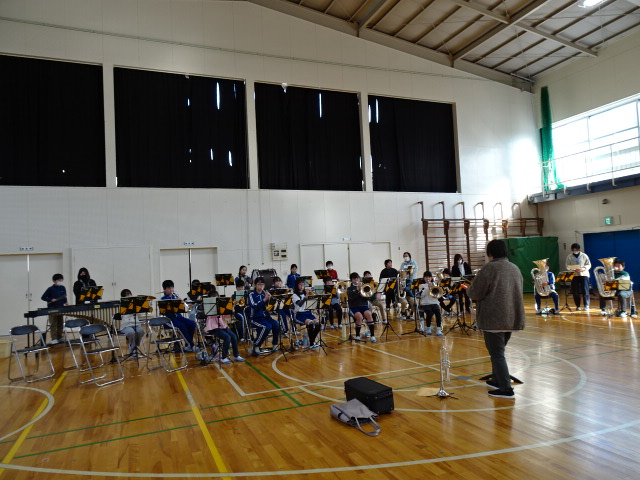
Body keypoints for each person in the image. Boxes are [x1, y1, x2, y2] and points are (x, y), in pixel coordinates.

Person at [467, 239, 525, 399]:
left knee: (497, 353)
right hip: (511, 317)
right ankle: (497, 379)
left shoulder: (489, 268)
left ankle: (505, 389)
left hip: (494, 318)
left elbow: (475, 293)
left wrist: (468, 290)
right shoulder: (514, 268)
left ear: (490, 253)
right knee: (498, 351)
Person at [204, 288, 244, 364]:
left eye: (216, 297)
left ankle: (236, 355)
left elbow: (225, 316)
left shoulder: (220, 305)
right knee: (227, 337)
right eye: (213, 298)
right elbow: (209, 315)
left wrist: (230, 309)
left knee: (234, 336)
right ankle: (224, 357)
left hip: (222, 326)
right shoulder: (208, 307)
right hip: (213, 327)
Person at [161, 280, 199, 352]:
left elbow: (182, 309)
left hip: (179, 317)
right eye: (168, 288)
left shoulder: (176, 296)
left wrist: (182, 303)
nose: (171, 290)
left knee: (192, 324)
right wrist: (174, 303)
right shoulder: (163, 299)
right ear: (164, 289)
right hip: (170, 319)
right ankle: (191, 345)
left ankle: (188, 344)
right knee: (181, 326)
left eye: (172, 288)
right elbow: (164, 312)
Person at [249, 277, 280, 355]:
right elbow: (255, 306)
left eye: (262, 284)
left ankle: (275, 344)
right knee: (266, 327)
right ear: (255, 285)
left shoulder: (265, 293)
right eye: (259, 284)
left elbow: (270, 307)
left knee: (276, 324)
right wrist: (264, 300)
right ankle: (256, 344)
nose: (261, 286)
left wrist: (271, 300)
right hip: (255, 318)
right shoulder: (251, 295)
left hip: (266, 317)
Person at [292, 278, 322, 349]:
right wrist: (306, 297)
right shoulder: (294, 295)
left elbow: (312, 304)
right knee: (311, 323)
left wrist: (312, 296)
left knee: (318, 324)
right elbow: (300, 304)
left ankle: (312, 340)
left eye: (303, 284)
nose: (302, 285)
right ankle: (311, 343)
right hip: (299, 314)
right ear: (297, 285)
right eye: (300, 284)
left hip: (308, 313)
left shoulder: (305, 293)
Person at [348, 272, 376, 342]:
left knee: (369, 315)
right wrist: (357, 291)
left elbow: (367, 298)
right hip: (354, 306)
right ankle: (357, 336)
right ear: (351, 280)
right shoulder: (349, 289)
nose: (356, 280)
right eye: (354, 279)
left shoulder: (364, 286)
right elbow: (351, 298)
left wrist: (366, 294)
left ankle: (372, 336)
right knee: (359, 317)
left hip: (363, 305)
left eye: (357, 278)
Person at [41, 273, 67, 345]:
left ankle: (60, 337)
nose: (60, 281)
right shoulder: (50, 289)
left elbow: (64, 296)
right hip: (52, 309)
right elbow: (43, 297)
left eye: (61, 280)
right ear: (54, 281)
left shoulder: (63, 288)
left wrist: (66, 302)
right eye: (59, 280)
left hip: (60, 308)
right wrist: (50, 299)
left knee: (60, 323)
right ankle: (54, 338)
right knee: (53, 324)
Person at [119, 289, 146, 356]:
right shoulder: (122, 305)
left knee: (140, 331)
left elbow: (140, 315)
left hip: (136, 324)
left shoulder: (135, 304)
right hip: (126, 325)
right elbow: (122, 316)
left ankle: (134, 346)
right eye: (127, 295)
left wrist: (140, 308)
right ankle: (133, 348)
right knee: (131, 332)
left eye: (129, 294)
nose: (129, 296)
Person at [565, 243, 592, 310]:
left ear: (579, 249)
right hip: (574, 275)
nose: (575, 250)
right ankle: (578, 306)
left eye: (576, 249)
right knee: (575, 291)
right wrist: (573, 269)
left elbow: (588, 265)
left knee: (585, 290)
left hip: (584, 274)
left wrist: (582, 269)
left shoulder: (584, 255)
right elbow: (567, 266)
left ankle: (586, 305)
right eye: (573, 249)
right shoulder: (569, 256)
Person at [416, 271, 443, 336]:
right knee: (429, 313)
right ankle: (428, 328)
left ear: (431, 278)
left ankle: (438, 329)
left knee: (438, 313)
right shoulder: (421, 285)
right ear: (424, 278)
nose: (427, 278)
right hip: (425, 303)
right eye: (426, 277)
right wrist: (428, 288)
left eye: (429, 277)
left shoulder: (435, 284)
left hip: (434, 302)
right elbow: (421, 295)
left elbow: (437, 294)